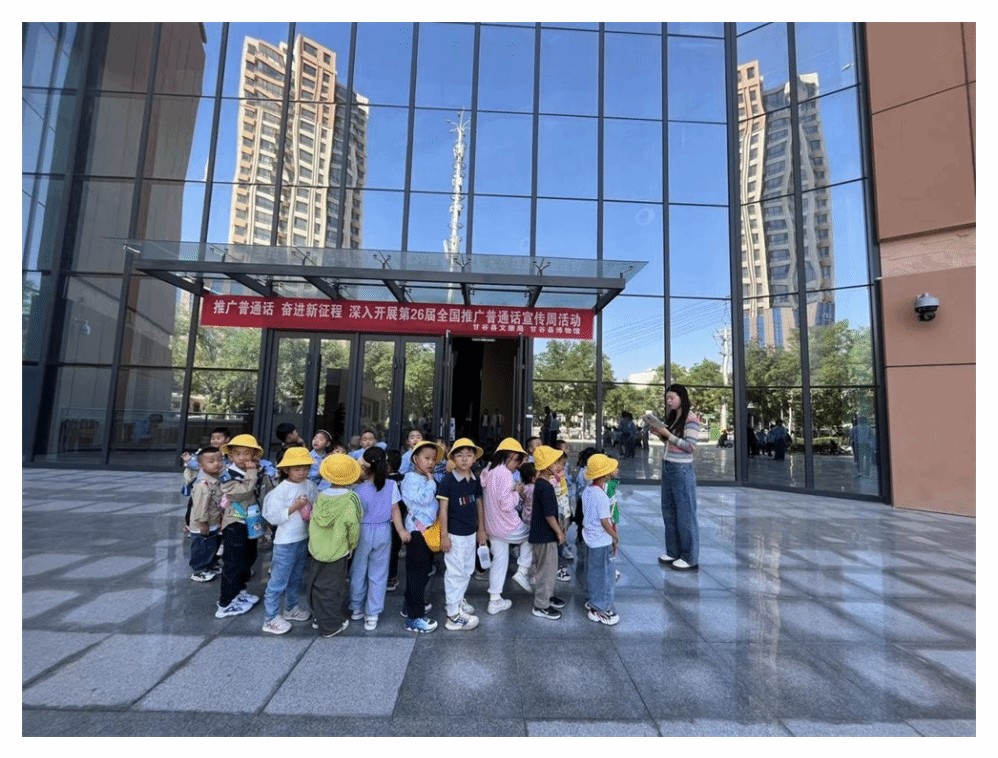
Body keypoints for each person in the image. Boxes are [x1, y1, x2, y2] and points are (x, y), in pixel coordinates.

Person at [260, 447, 317, 634]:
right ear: (286, 469)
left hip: (303, 538)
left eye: (305, 468)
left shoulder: (310, 485)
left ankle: (291, 608)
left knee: (296, 577)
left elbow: (316, 504)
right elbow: (272, 517)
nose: (302, 473)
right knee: (278, 581)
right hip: (285, 542)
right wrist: (294, 507)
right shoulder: (280, 490)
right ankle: (270, 618)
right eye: (297, 469)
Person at [647, 384, 700, 572]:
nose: (669, 401)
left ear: (681, 398)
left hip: (682, 469)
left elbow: (690, 447)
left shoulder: (691, 419)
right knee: (669, 511)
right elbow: (672, 443)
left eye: (672, 398)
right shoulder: (673, 417)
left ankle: (689, 557)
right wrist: (661, 435)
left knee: (685, 513)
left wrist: (668, 434)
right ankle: (673, 551)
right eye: (667, 398)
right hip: (668, 466)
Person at [308, 453, 362, 637]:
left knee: (317, 585)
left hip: (317, 548)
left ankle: (319, 617)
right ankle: (330, 626)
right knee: (333, 588)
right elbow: (353, 526)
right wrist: (352, 546)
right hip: (338, 548)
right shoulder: (351, 498)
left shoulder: (321, 495)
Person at [396, 439, 447, 633]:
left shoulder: (425, 478)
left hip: (427, 531)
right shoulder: (411, 479)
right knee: (417, 574)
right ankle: (415, 618)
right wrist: (432, 483)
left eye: (434, 459)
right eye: (426, 458)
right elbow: (423, 500)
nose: (431, 463)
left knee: (422, 572)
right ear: (415, 459)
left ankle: (409, 605)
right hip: (417, 533)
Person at [214, 434, 268, 618]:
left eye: (247, 453)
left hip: (251, 521)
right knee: (233, 562)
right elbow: (242, 492)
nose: (243, 457)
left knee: (248, 557)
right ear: (230, 456)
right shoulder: (227, 474)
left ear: (255, 455)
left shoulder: (256, 470)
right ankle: (226, 603)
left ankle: (239, 591)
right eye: (238, 454)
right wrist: (252, 473)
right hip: (235, 523)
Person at [436, 437, 486, 631]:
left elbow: (479, 503)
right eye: (460, 455)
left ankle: (458, 601)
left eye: (469, 455)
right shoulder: (448, 480)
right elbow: (443, 508)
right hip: (454, 534)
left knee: (466, 570)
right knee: (455, 573)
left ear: (474, 458)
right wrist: (444, 535)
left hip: (470, 533)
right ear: (453, 458)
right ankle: (453, 615)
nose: (464, 459)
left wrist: (481, 529)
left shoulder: (474, 479)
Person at [349, 446, 400, 631]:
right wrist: (401, 531)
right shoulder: (392, 485)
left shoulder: (357, 488)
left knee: (358, 571)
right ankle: (373, 613)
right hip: (384, 530)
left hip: (362, 530)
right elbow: (395, 510)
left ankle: (356, 607)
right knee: (378, 573)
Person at [481, 437, 532, 615]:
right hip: (507, 525)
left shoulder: (488, 470)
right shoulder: (504, 473)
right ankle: (523, 570)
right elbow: (506, 504)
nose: (517, 465)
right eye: (517, 460)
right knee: (532, 535)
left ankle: (495, 600)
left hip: (492, 525)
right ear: (508, 456)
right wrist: (517, 492)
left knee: (499, 562)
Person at [528, 445, 567, 620]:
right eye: (555, 462)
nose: (558, 466)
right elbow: (549, 514)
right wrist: (559, 532)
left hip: (544, 535)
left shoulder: (543, 484)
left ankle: (548, 596)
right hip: (544, 535)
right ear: (546, 467)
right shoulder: (545, 487)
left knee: (550, 569)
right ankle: (541, 605)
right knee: (546, 571)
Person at [581, 453, 621, 625]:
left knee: (593, 573)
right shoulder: (601, 496)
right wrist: (614, 536)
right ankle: (599, 609)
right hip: (601, 541)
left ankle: (592, 600)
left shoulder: (587, 491)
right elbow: (605, 521)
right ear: (604, 475)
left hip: (589, 538)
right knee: (604, 576)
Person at [188, 446, 225, 583]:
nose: (217, 463)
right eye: (211, 461)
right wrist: (203, 523)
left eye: (219, 460)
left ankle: (210, 565)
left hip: (213, 522)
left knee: (211, 546)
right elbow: (200, 507)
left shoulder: (216, 481)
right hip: (203, 525)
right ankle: (199, 570)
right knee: (201, 547)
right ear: (201, 466)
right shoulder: (203, 485)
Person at [384, 448, 406, 592]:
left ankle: (383, 577)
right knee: (393, 550)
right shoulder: (404, 478)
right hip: (399, 520)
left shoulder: (383, 480)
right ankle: (391, 578)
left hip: (383, 520)